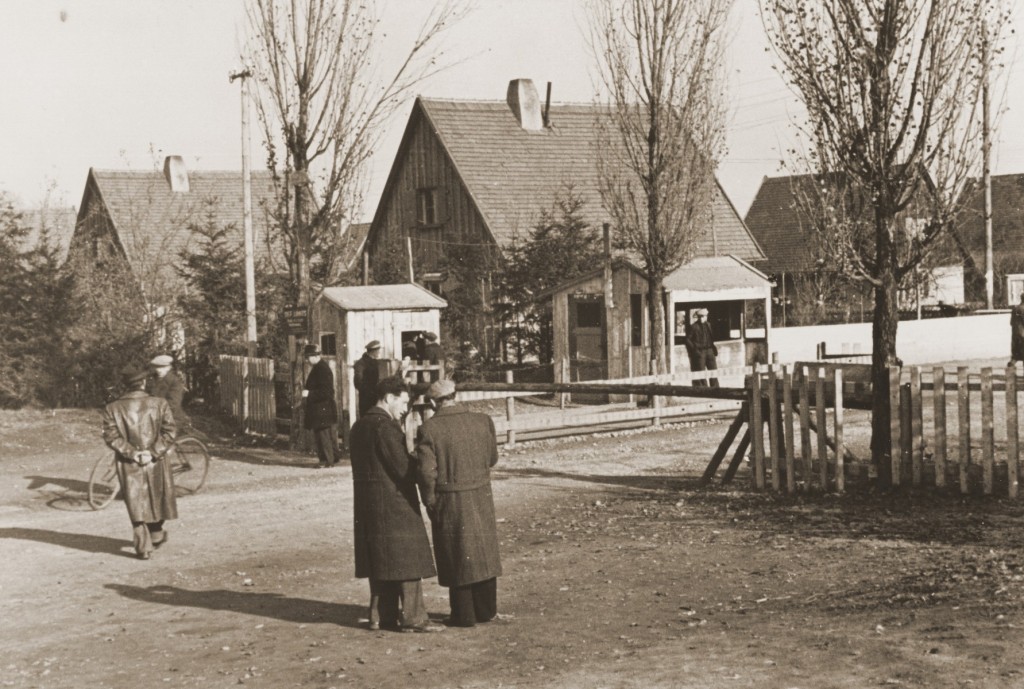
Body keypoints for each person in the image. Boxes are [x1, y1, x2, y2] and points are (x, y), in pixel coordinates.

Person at [349, 375, 444, 633]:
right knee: (408, 559)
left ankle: (380, 617)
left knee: (381, 561)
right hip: (394, 503)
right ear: (389, 398)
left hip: (368, 505)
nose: (406, 408)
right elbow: (402, 468)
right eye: (403, 402)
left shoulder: (358, 426)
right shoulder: (387, 428)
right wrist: (422, 463)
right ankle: (415, 618)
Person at [415, 378, 503, 628]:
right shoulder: (483, 421)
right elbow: (492, 459)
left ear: (433, 402)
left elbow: (426, 472)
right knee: (483, 548)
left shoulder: (429, 429)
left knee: (457, 551)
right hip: (481, 493)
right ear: (457, 396)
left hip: (450, 497)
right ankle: (487, 610)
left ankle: (463, 614)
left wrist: (429, 500)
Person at [102, 365, 178, 560]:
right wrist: (151, 452)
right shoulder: (159, 403)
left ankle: (144, 546)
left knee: (135, 500)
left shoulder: (112, 408)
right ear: (143, 383)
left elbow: (111, 437)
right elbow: (170, 432)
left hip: (129, 462)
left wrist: (133, 453)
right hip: (156, 459)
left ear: (125, 386)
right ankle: (156, 533)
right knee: (158, 494)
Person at [302, 343, 339, 468]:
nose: (306, 360)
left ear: (314, 356)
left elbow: (327, 392)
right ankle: (330, 459)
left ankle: (327, 461)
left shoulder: (321, 369)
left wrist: (309, 393)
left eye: (307, 357)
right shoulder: (319, 368)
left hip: (322, 408)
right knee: (324, 435)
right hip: (322, 408)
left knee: (323, 436)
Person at [148, 354, 190, 431]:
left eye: (162, 367)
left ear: (168, 368)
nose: (158, 370)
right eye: (157, 367)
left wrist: (154, 414)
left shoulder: (175, 382)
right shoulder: (152, 380)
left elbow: (173, 405)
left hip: (171, 419)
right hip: (153, 417)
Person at [684, 308, 719, 388]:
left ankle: (715, 388)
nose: (702, 318)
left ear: (706, 316)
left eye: (703, 316)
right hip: (700, 351)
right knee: (701, 371)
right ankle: (704, 389)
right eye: (700, 317)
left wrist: (713, 348)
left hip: (710, 350)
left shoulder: (708, 325)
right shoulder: (694, 326)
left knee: (713, 370)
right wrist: (695, 349)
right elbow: (687, 339)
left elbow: (711, 337)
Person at [352, 340, 384, 418]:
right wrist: (370, 391)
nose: (379, 353)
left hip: (375, 398)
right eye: (377, 351)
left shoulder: (375, 362)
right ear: (373, 351)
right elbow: (358, 382)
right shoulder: (361, 363)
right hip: (366, 399)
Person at [1011, 293, 1024, 366]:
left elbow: (1011, 322)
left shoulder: (1015, 309)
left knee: (1015, 357)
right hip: (1023, 337)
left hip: (1015, 336)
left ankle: (1010, 375)